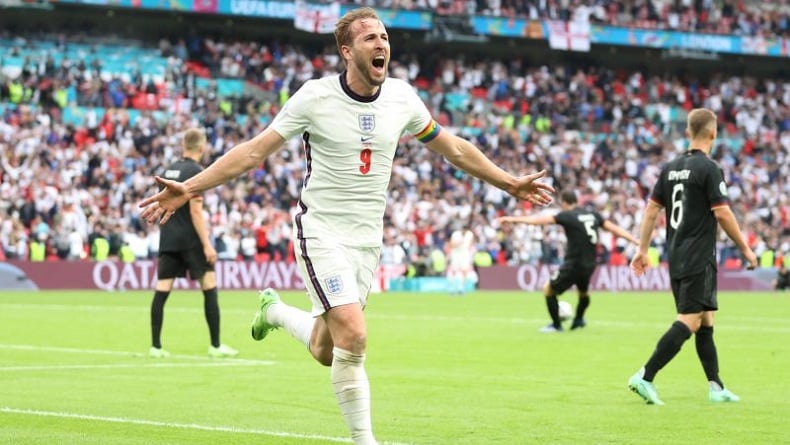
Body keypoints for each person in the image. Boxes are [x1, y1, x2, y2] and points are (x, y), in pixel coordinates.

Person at [138, 7, 553, 444]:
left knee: (326, 349)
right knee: (354, 335)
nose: (382, 45)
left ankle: (274, 311)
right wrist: (189, 186)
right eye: (371, 38)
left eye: (386, 38)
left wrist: (508, 182)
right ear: (346, 50)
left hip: (365, 241)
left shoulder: (403, 98)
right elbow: (253, 152)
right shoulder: (314, 97)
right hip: (320, 229)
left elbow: (453, 148)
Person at [628, 108, 758, 405]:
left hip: (676, 255)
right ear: (713, 133)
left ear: (688, 132)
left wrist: (642, 250)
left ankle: (716, 386)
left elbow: (651, 210)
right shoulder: (710, 169)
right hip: (698, 256)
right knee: (688, 320)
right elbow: (723, 212)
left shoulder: (670, 168)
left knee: (705, 320)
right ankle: (645, 376)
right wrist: (746, 249)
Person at [147, 128, 238, 359]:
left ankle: (156, 347)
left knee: (161, 291)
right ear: (202, 146)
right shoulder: (196, 172)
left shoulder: (168, 170)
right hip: (190, 239)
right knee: (209, 287)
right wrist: (207, 245)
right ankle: (215, 346)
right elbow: (196, 212)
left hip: (168, 237)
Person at [497, 189, 639, 332]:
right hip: (590, 263)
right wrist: (635, 241)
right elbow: (613, 228)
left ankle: (557, 325)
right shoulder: (592, 214)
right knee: (583, 293)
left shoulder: (567, 216)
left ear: (564, 203)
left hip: (574, 263)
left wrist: (513, 219)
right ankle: (578, 320)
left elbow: (539, 221)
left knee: (548, 290)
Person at [446, 228, 475, 296]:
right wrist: (458, 243)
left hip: (465, 255)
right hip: (456, 255)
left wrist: (471, 254)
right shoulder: (456, 234)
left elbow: (470, 244)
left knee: (464, 271)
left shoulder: (470, 234)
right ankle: (451, 288)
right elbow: (451, 245)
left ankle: (461, 287)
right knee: (454, 271)